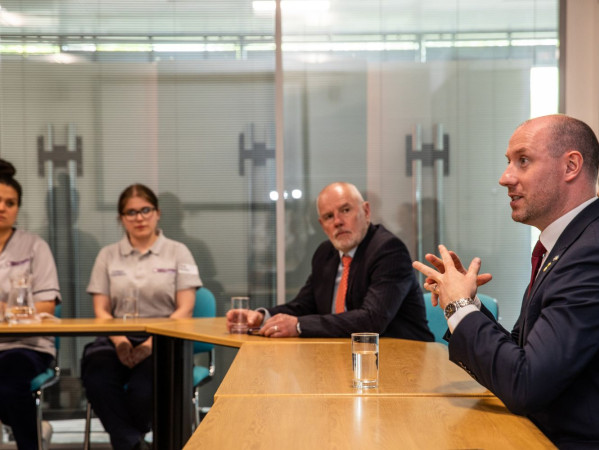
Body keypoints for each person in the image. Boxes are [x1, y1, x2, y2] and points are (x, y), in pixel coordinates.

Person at [412, 114, 599, 448]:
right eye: (508, 162)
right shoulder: (565, 244)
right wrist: (468, 304)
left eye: (523, 161)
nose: (504, 178)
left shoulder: (590, 252)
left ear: (571, 166)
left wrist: (458, 307)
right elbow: (519, 353)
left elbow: (525, 384)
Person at [227, 181, 433, 341]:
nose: (338, 222)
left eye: (345, 210)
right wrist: (262, 317)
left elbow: (372, 320)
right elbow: (304, 305)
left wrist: (299, 326)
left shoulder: (388, 250)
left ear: (366, 211)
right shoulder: (326, 253)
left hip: (405, 358)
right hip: (346, 355)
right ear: (321, 224)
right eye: (328, 216)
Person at [81, 184, 202, 450]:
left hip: (164, 339)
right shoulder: (107, 255)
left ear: (158, 213)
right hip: (115, 339)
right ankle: (134, 444)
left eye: (145, 210)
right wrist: (121, 342)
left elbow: (185, 308)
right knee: (97, 380)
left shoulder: (178, 251)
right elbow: (101, 311)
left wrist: (150, 346)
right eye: (131, 212)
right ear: (121, 218)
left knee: (143, 391)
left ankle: (127, 440)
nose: (139, 218)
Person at [0, 159, 61, 450]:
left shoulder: (35, 246)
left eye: (10, 203)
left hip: (28, 345)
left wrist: (6, 310)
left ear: (17, 209)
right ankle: (36, 427)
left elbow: (46, 306)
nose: (2, 208)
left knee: (10, 381)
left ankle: (30, 443)